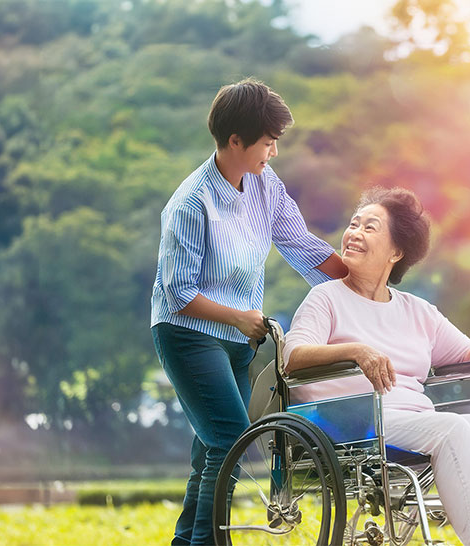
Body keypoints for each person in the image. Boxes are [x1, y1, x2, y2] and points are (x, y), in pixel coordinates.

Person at [283, 187, 470, 546]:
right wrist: (355, 351)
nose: (354, 234)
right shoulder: (326, 298)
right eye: (354, 225)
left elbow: (467, 350)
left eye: (370, 228)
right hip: (352, 422)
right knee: (452, 429)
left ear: (396, 252)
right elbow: (293, 356)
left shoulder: (417, 310)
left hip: (413, 422)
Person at [150, 78, 347, 546]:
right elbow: (178, 292)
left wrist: (360, 283)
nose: (274, 152)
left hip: (240, 338)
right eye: (268, 142)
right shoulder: (192, 202)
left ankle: (189, 542)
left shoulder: (265, 185)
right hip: (188, 332)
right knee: (230, 439)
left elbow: (300, 245)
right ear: (235, 141)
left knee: (212, 451)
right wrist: (239, 317)